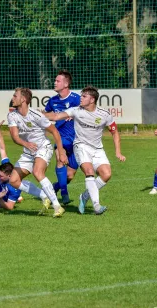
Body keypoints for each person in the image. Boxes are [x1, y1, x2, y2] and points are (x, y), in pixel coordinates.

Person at [44, 86, 125, 215]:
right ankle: (97, 206)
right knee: (89, 171)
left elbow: (115, 133)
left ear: (92, 99)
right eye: (81, 95)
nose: (80, 98)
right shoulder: (76, 110)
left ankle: (84, 196)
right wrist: (37, 113)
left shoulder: (105, 114)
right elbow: (56, 116)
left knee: (106, 174)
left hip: (98, 149)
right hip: (81, 146)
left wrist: (118, 152)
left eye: (84, 96)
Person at [7, 87, 67, 218]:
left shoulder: (37, 115)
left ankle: (57, 206)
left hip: (43, 148)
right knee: (13, 180)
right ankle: (44, 195)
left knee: (37, 172)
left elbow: (55, 132)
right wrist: (26, 144)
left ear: (23, 99)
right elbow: (15, 137)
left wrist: (61, 152)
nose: (12, 98)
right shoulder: (12, 115)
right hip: (28, 151)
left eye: (15, 96)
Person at [44, 70, 81, 204]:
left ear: (66, 84)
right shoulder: (52, 101)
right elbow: (45, 114)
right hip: (61, 138)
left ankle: (53, 188)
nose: (55, 82)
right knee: (60, 160)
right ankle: (64, 195)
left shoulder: (77, 99)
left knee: (70, 176)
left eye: (57, 81)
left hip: (77, 140)